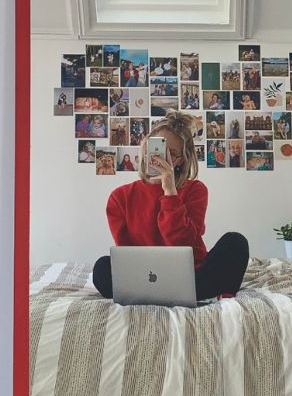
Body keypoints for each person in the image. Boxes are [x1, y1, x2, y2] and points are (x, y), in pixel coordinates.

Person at [92, 110, 249, 305]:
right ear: (146, 147)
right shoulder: (120, 197)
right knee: (102, 268)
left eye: (172, 154)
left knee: (235, 242)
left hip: (191, 275)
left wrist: (170, 193)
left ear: (181, 160)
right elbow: (127, 256)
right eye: (158, 149)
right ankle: (172, 293)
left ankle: (166, 294)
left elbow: (186, 246)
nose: (162, 159)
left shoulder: (195, 190)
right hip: (144, 276)